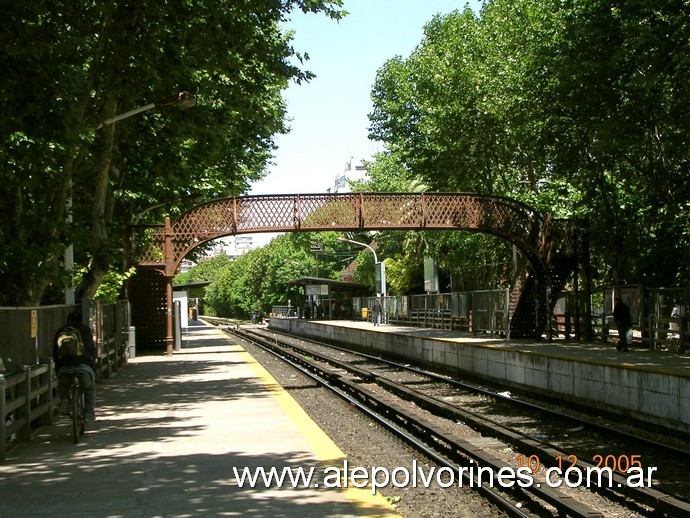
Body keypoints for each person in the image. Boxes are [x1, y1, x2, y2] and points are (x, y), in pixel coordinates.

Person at [53, 311, 98, 421]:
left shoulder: (61, 332)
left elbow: (55, 352)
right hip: (84, 366)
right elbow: (91, 347)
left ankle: (64, 402)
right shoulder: (84, 330)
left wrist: (58, 367)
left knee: (63, 385)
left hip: (64, 367)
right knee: (89, 387)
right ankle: (89, 414)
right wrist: (95, 358)